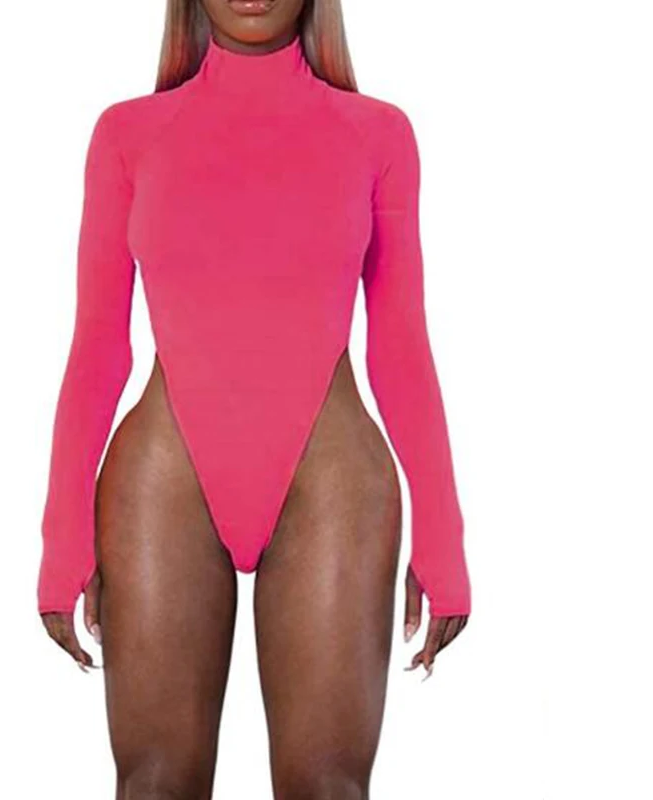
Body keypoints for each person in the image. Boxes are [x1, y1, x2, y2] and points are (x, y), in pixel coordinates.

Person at [38, 0, 471, 796]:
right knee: (154, 784)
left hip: (332, 480)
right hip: (163, 480)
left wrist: (443, 538)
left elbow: (401, 344)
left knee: (327, 788)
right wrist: (62, 537)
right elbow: (98, 342)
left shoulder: (379, 135)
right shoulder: (128, 135)